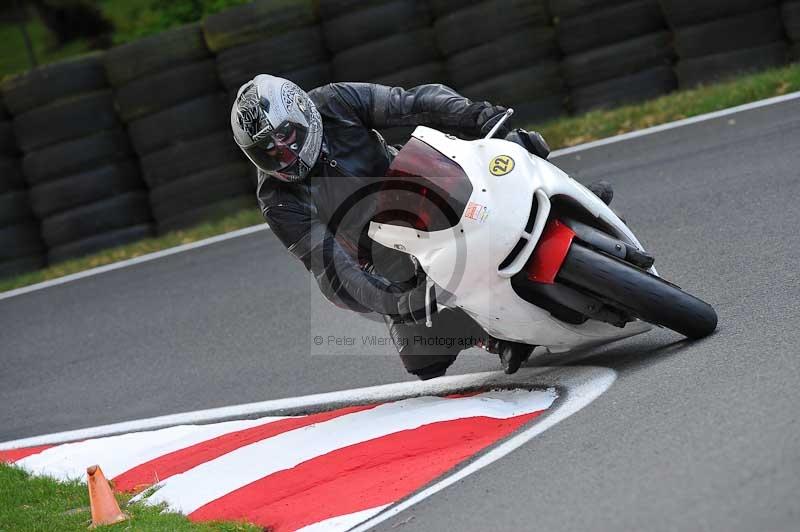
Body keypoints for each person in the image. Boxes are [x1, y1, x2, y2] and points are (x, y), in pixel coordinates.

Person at [231, 74, 613, 379]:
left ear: (301, 113)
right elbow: (329, 269)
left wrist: (480, 115)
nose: (284, 154)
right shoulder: (277, 199)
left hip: (413, 180)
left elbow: (412, 102)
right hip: (383, 253)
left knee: (510, 147)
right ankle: (492, 332)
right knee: (423, 360)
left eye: (286, 137)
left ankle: (570, 197)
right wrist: (392, 302)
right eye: (269, 151)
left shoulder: (335, 102)